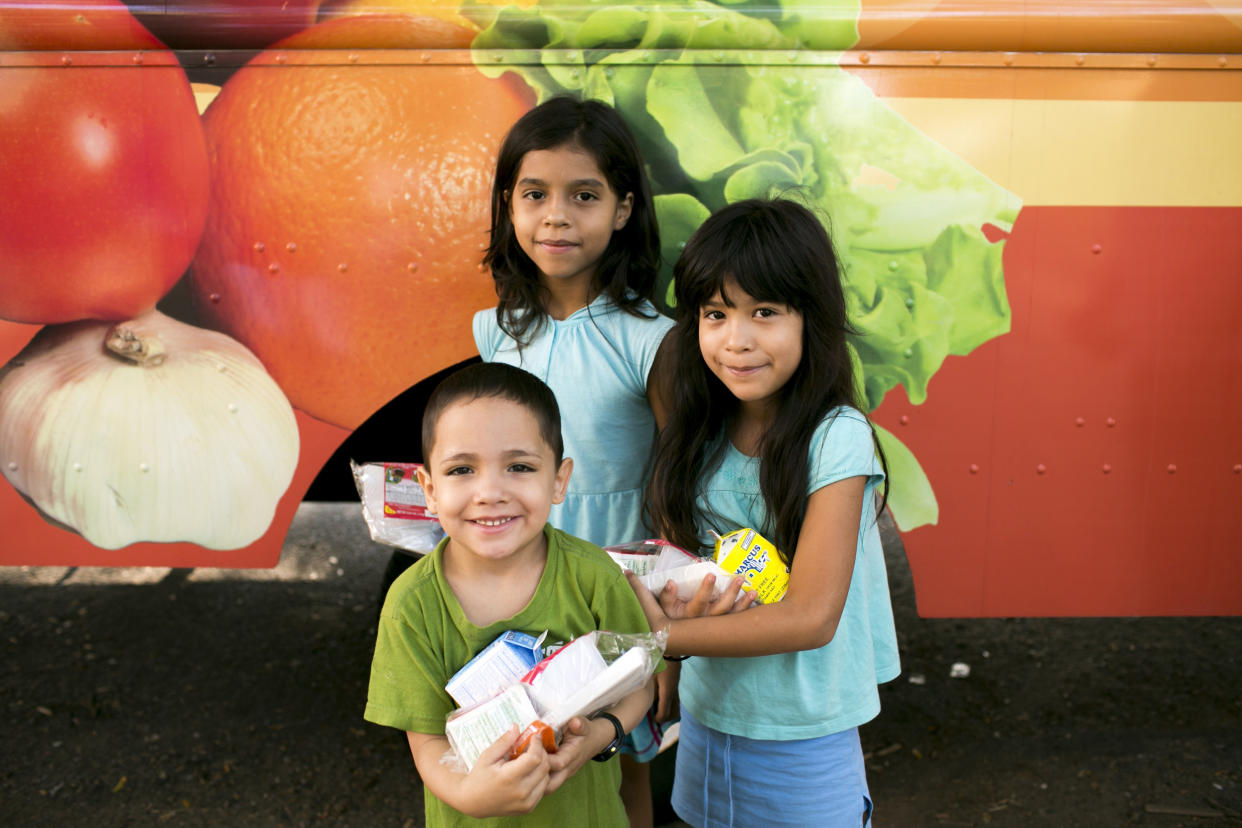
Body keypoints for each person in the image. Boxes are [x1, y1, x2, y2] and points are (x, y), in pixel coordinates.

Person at [632, 198, 901, 828]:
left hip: (804, 738)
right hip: (706, 720)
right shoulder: (698, 433)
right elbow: (683, 572)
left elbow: (810, 618)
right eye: (716, 314)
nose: (737, 340)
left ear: (812, 319)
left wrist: (660, 641)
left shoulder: (837, 437)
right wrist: (670, 666)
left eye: (765, 313)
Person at [473, 95, 675, 826]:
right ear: (508, 204)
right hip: (520, 580)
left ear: (622, 209)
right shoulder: (494, 330)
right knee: (527, 751)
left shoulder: (650, 339)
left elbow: (675, 478)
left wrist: (669, 641)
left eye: (583, 196)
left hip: (616, 588)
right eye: (535, 194)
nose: (556, 216)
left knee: (618, 762)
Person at [364, 362, 658, 826]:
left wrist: (600, 735)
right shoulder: (412, 604)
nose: (490, 492)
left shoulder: (593, 577)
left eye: (519, 467)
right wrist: (468, 793)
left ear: (559, 480)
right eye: (462, 469)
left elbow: (639, 681)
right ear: (429, 490)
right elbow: (426, 743)